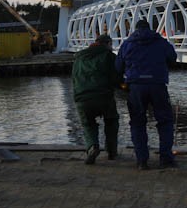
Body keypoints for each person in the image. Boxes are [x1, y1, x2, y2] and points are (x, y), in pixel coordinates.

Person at [116, 19, 178, 170]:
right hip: (157, 85)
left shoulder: (127, 44)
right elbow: (173, 58)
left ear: (135, 29)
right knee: (165, 121)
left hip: (136, 86)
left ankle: (142, 161)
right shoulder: (160, 42)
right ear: (150, 28)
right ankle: (166, 158)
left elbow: (118, 67)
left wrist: (124, 80)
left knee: (137, 122)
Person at [71, 34, 121, 165]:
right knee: (111, 120)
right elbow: (116, 78)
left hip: (82, 97)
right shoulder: (109, 56)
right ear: (108, 43)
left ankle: (92, 147)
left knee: (88, 124)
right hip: (103, 96)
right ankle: (111, 152)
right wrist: (124, 86)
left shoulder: (79, 58)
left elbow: (74, 79)